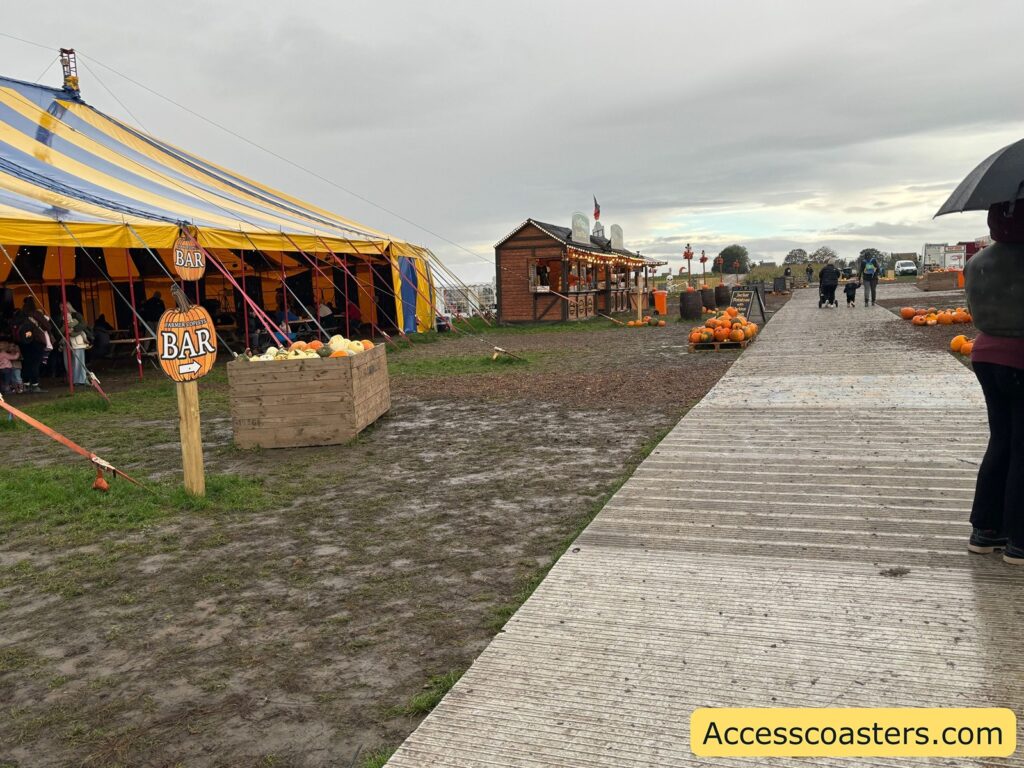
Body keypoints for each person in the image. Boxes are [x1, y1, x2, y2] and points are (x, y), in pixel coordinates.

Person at [965, 201, 1024, 565]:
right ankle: (1020, 539)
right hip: (1021, 356)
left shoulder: (977, 263)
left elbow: (974, 310)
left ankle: (985, 530)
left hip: (986, 355)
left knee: (1001, 439)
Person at [15, 304, 46, 393]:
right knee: (35, 364)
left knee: (26, 363)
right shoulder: (36, 314)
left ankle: (26, 384)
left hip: (23, 343)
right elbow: (47, 326)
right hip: (36, 343)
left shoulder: (20, 316)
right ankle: (35, 385)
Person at [62, 302, 90, 386]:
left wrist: (73, 329)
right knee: (69, 363)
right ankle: (74, 379)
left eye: (63, 307)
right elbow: (61, 330)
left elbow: (83, 325)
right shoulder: (62, 318)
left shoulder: (76, 316)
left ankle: (80, 379)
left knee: (79, 362)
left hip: (76, 342)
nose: (61, 309)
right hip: (67, 342)